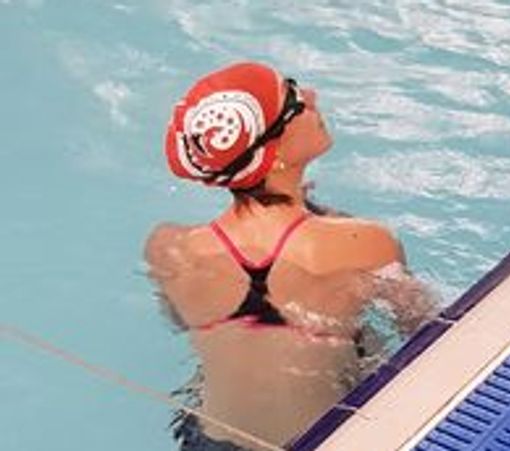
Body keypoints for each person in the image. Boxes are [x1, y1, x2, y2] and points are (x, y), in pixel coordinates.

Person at [145, 62, 436, 450]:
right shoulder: (367, 242)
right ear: (274, 153)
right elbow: (425, 333)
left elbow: (180, 319)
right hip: (323, 441)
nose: (312, 96)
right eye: (295, 98)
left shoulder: (171, 248)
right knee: (365, 344)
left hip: (208, 440)